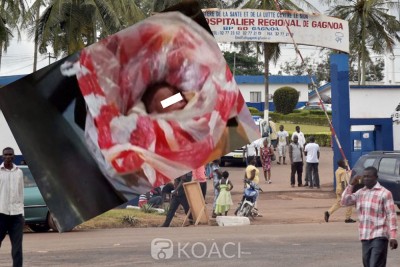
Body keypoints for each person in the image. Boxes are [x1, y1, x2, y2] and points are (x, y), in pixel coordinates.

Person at [341, 166, 398, 266]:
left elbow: (391, 215)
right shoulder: (360, 193)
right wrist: (351, 185)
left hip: (380, 235)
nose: (366, 179)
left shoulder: (385, 193)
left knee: (374, 264)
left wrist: (393, 236)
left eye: (369, 177)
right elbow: (345, 201)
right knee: (367, 264)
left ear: (376, 177)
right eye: (364, 177)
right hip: (365, 236)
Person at [0, 147, 24, 267]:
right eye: (6, 154)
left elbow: (21, 193)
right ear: (2, 156)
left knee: (17, 249)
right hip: (1, 214)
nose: (8, 156)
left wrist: (22, 213)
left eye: (10, 154)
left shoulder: (19, 172)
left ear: (14, 156)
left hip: (16, 216)